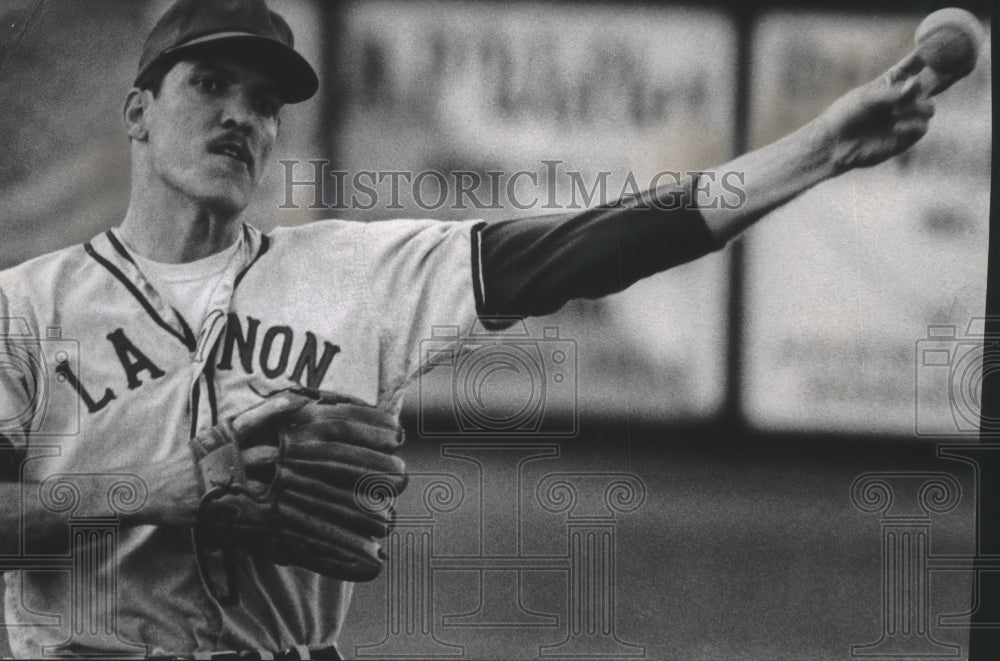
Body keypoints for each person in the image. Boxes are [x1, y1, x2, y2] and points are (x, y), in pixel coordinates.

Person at [0, 0, 941, 658]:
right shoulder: (28, 307)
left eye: (267, 103)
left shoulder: (355, 272)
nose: (242, 115)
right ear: (136, 112)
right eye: (210, 84)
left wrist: (818, 150)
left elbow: (603, 242)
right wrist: (161, 486)